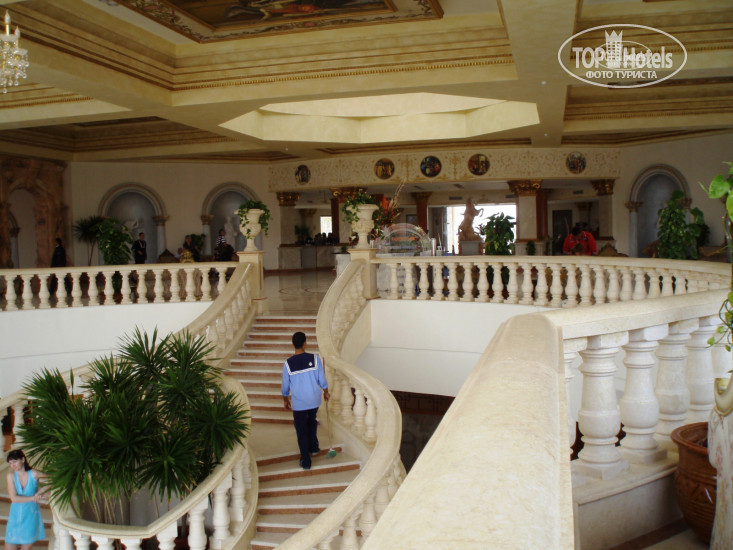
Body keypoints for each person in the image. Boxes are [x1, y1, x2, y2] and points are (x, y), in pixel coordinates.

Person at [282, 331, 330, 470]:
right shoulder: (315, 359)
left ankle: (306, 461)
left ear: (293, 345)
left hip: (299, 404)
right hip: (314, 400)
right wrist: (326, 392)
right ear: (305, 343)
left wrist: (285, 399)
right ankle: (314, 448)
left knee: (301, 430)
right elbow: (322, 379)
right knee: (312, 421)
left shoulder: (288, 364)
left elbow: (285, 386)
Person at [5, 449, 45, 550]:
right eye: (10, 463)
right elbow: (14, 498)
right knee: (9, 546)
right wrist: (33, 497)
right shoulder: (10, 476)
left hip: (30, 515)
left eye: (14, 462)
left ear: (23, 459)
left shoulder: (34, 473)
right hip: (15, 516)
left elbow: (54, 479)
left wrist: (40, 492)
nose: (12, 465)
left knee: (26, 548)